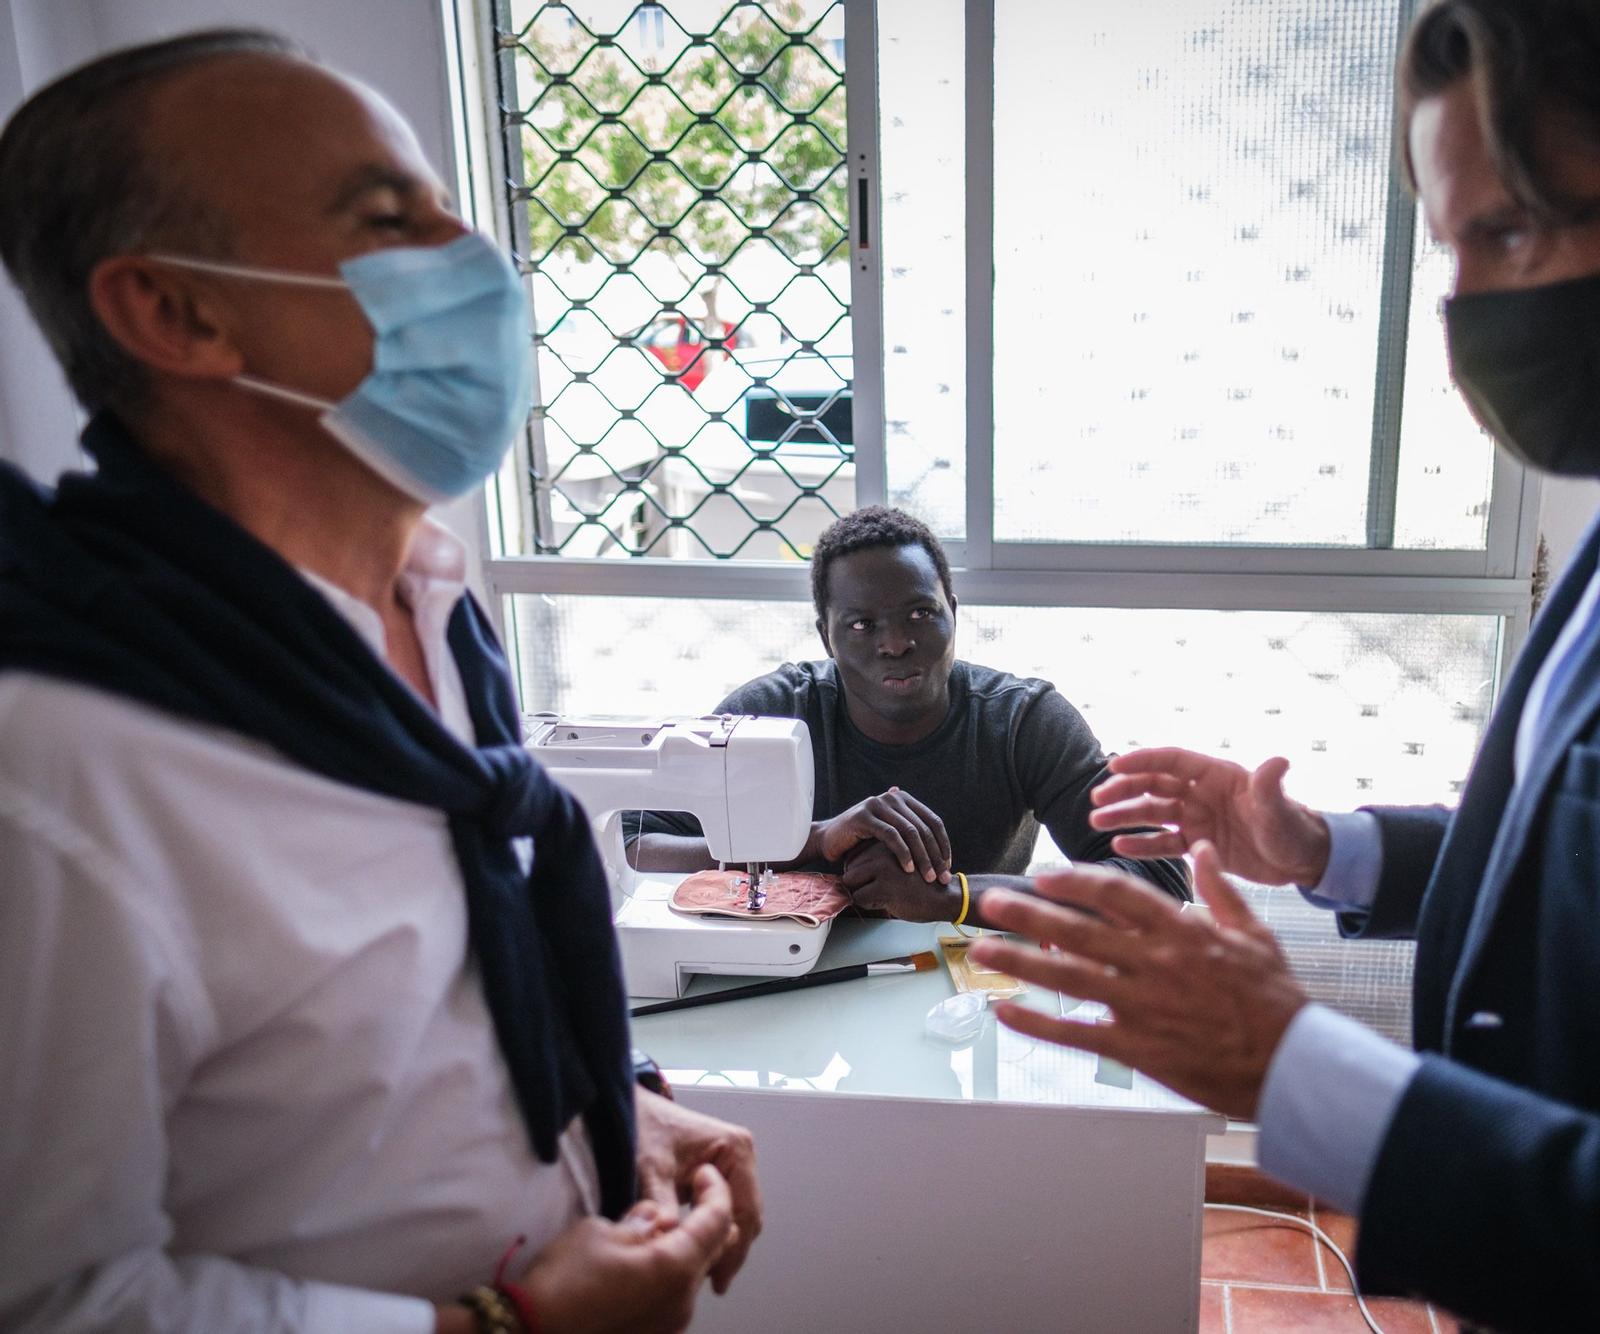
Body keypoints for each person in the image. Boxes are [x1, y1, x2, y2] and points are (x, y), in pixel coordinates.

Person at [965, 2, 1600, 1331]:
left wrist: (1291, 1066)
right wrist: (1325, 845)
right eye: (1453, 247)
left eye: (1512, 232)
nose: (1469, 309)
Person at [0, 30, 763, 1332]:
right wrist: (498, 1325)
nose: (478, 259)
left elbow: (441, 1004)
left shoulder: (429, 612)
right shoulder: (65, 767)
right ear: (180, 311)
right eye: (390, 216)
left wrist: (608, 1108)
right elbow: (53, 1295)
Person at [628, 505, 1190, 924]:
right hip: (798, 983)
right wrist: (817, 841)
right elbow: (631, 846)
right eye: (861, 625)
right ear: (826, 637)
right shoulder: (774, 716)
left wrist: (955, 897)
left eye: (921, 612)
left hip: (970, 993)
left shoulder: (1021, 722)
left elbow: (1161, 879)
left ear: (954, 612)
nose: (895, 643)